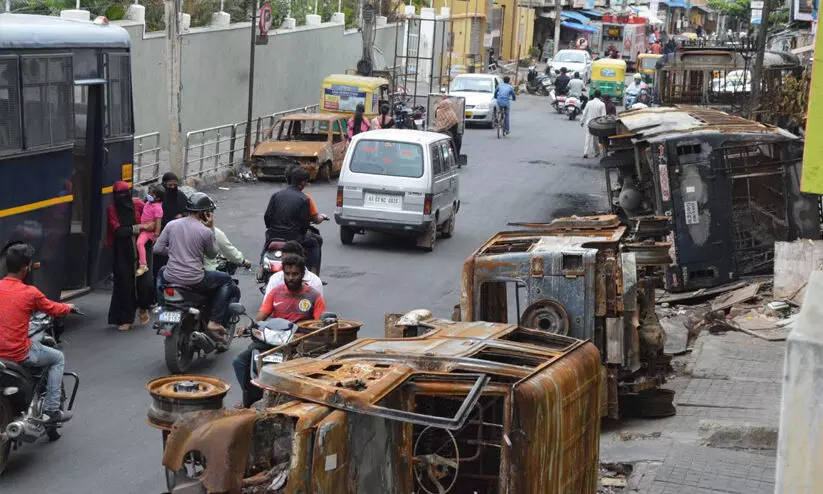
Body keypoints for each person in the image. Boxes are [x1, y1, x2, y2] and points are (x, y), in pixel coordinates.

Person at [232, 254, 326, 407]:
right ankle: (248, 398)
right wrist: (251, 327)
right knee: (239, 362)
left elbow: (318, 326)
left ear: (302, 275)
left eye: (295, 274)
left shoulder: (314, 297)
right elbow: (260, 317)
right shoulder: (275, 293)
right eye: (287, 274)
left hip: (298, 346)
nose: (290, 278)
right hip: (271, 342)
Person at [0, 244, 75, 424]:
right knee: (57, 358)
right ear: (26, 269)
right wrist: (69, 307)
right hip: (17, 354)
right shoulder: (30, 293)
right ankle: (51, 411)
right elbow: (54, 308)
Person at [155, 192, 233, 342]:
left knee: (161, 272)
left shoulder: (171, 224)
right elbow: (212, 255)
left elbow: (157, 249)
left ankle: (162, 305)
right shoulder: (205, 232)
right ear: (204, 213)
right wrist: (211, 228)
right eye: (209, 212)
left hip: (171, 276)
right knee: (226, 280)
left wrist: (173, 253)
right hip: (195, 279)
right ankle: (214, 321)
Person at [106, 181, 153, 330]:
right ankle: (127, 318)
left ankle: (144, 308)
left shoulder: (138, 205)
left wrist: (146, 229)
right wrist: (139, 227)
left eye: (124, 194)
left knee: (144, 282)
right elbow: (118, 231)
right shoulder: (112, 209)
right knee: (124, 284)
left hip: (141, 248)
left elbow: (150, 221)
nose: (122, 198)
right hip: (122, 250)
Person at [263, 167, 321, 274]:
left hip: (274, 235)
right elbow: (304, 225)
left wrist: (272, 228)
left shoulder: (276, 195)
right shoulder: (304, 199)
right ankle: (314, 272)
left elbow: (267, 216)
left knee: (267, 241)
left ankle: (261, 267)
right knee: (314, 242)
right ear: (303, 183)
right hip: (294, 238)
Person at [136, 184, 164, 277]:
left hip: (148, 232)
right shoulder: (149, 203)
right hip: (144, 228)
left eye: (152, 194)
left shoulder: (158, 208)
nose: (149, 195)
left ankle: (143, 264)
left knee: (139, 243)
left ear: (158, 198)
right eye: (149, 193)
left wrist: (156, 235)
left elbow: (158, 222)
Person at [581, 90, 606, 159]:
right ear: (600, 96)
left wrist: (582, 121)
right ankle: (597, 152)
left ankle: (585, 152)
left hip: (589, 122)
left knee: (587, 138)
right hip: (597, 124)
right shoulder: (602, 104)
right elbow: (603, 116)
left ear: (594, 95)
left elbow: (584, 112)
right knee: (596, 139)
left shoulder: (589, 103)